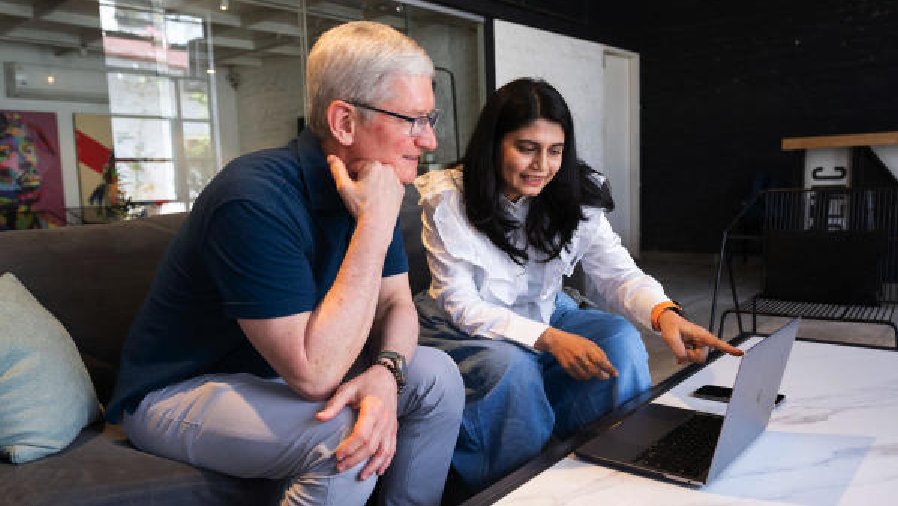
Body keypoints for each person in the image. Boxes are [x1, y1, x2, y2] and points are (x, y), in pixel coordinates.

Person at [106, 21, 464, 506]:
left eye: (430, 118)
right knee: (345, 437)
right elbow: (314, 373)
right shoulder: (254, 197)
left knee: (438, 377)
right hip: (177, 391)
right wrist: (375, 228)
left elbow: (397, 302)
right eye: (412, 120)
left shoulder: (372, 185)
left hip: (278, 374)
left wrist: (386, 370)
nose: (429, 142)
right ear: (344, 123)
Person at [413, 77, 743, 491]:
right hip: (459, 326)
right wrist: (549, 339)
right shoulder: (449, 198)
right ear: (493, 144)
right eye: (526, 148)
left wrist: (664, 314)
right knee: (511, 369)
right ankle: (519, 489)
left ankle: (618, 465)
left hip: (546, 310)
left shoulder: (574, 194)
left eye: (555, 151)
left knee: (619, 339)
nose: (542, 166)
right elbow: (462, 304)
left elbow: (618, 273)